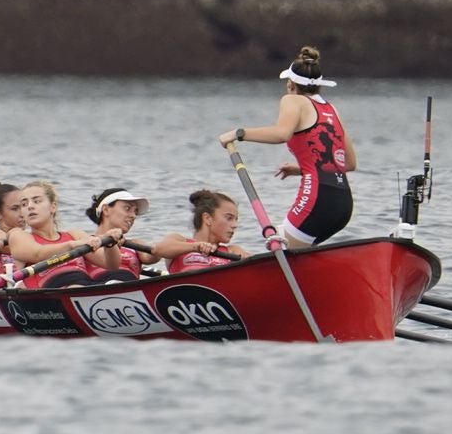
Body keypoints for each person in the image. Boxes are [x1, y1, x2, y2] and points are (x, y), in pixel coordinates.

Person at [219, 45, 357, 247]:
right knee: (296, 256)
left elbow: (282, 134)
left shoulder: (293, 100)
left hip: (317, 199)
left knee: (278, 247)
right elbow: (349, 163)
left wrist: (238, 133)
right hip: (343, 204)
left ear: (291, 84)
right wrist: (302, 169)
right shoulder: (331, 109)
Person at [7, 180, 123, 288]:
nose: (30, 206)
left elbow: (111, 265)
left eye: (37, 201)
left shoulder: (75, 235)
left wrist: (110, 243)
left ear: (53, 207)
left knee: (116, 282)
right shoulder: (18, 236)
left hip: (84, 286)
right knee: (77, 287)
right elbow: (38, 254)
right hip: (51, 293)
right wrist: (72, 245)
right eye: (24, 204)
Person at [152, 189, 252, 272]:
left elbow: (250, 262)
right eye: (229, 218)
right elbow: (158, 249)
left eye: (236, 220)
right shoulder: (179, 241)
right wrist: (197, 247)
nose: (235, 225)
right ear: (207, 218)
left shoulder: (232, 250)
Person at [84, 187, 153, 281]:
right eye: (127, 208)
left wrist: (161, 248)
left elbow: (154, 256)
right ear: (106, 210)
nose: (133, 216)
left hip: (131, 285)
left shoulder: (136, 245)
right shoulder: (85, 242)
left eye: (135, 211)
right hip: (100, 286)